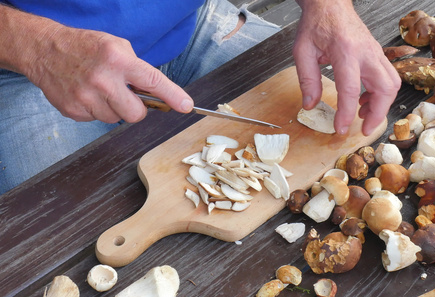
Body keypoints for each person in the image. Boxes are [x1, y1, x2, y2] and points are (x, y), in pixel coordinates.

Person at [0, 0, 400, 195]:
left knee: (343, 157)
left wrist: (328, 6)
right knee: (64, 234)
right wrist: (41, 49)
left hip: (191, 22)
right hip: (29, 67)